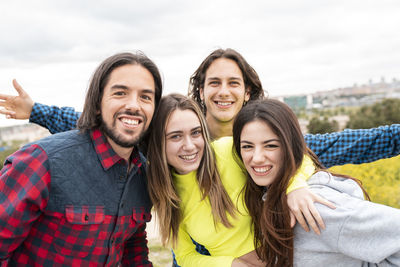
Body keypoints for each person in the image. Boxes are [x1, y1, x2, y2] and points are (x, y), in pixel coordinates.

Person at [0, 52, 163, 266]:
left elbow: (132, 246)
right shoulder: (41, 162)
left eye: (145, 97)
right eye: (120, 93)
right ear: (96, 104)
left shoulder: (143, 174)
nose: (134, 105)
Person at [146, 93, 319, 267]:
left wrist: (295, 185)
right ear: (158, 142)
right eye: (176, 136)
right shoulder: (167, 195)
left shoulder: (227, 151)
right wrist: (231, 264)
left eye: (196, 132)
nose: (190, 145)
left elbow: (297, 156)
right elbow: (185, 256)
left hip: (291, 258)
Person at [232, 99, 400, 266]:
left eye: (270, 146)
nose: (257, 158)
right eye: (247, 147)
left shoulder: (319, 207)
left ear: (291, 146)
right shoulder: (266, 198)